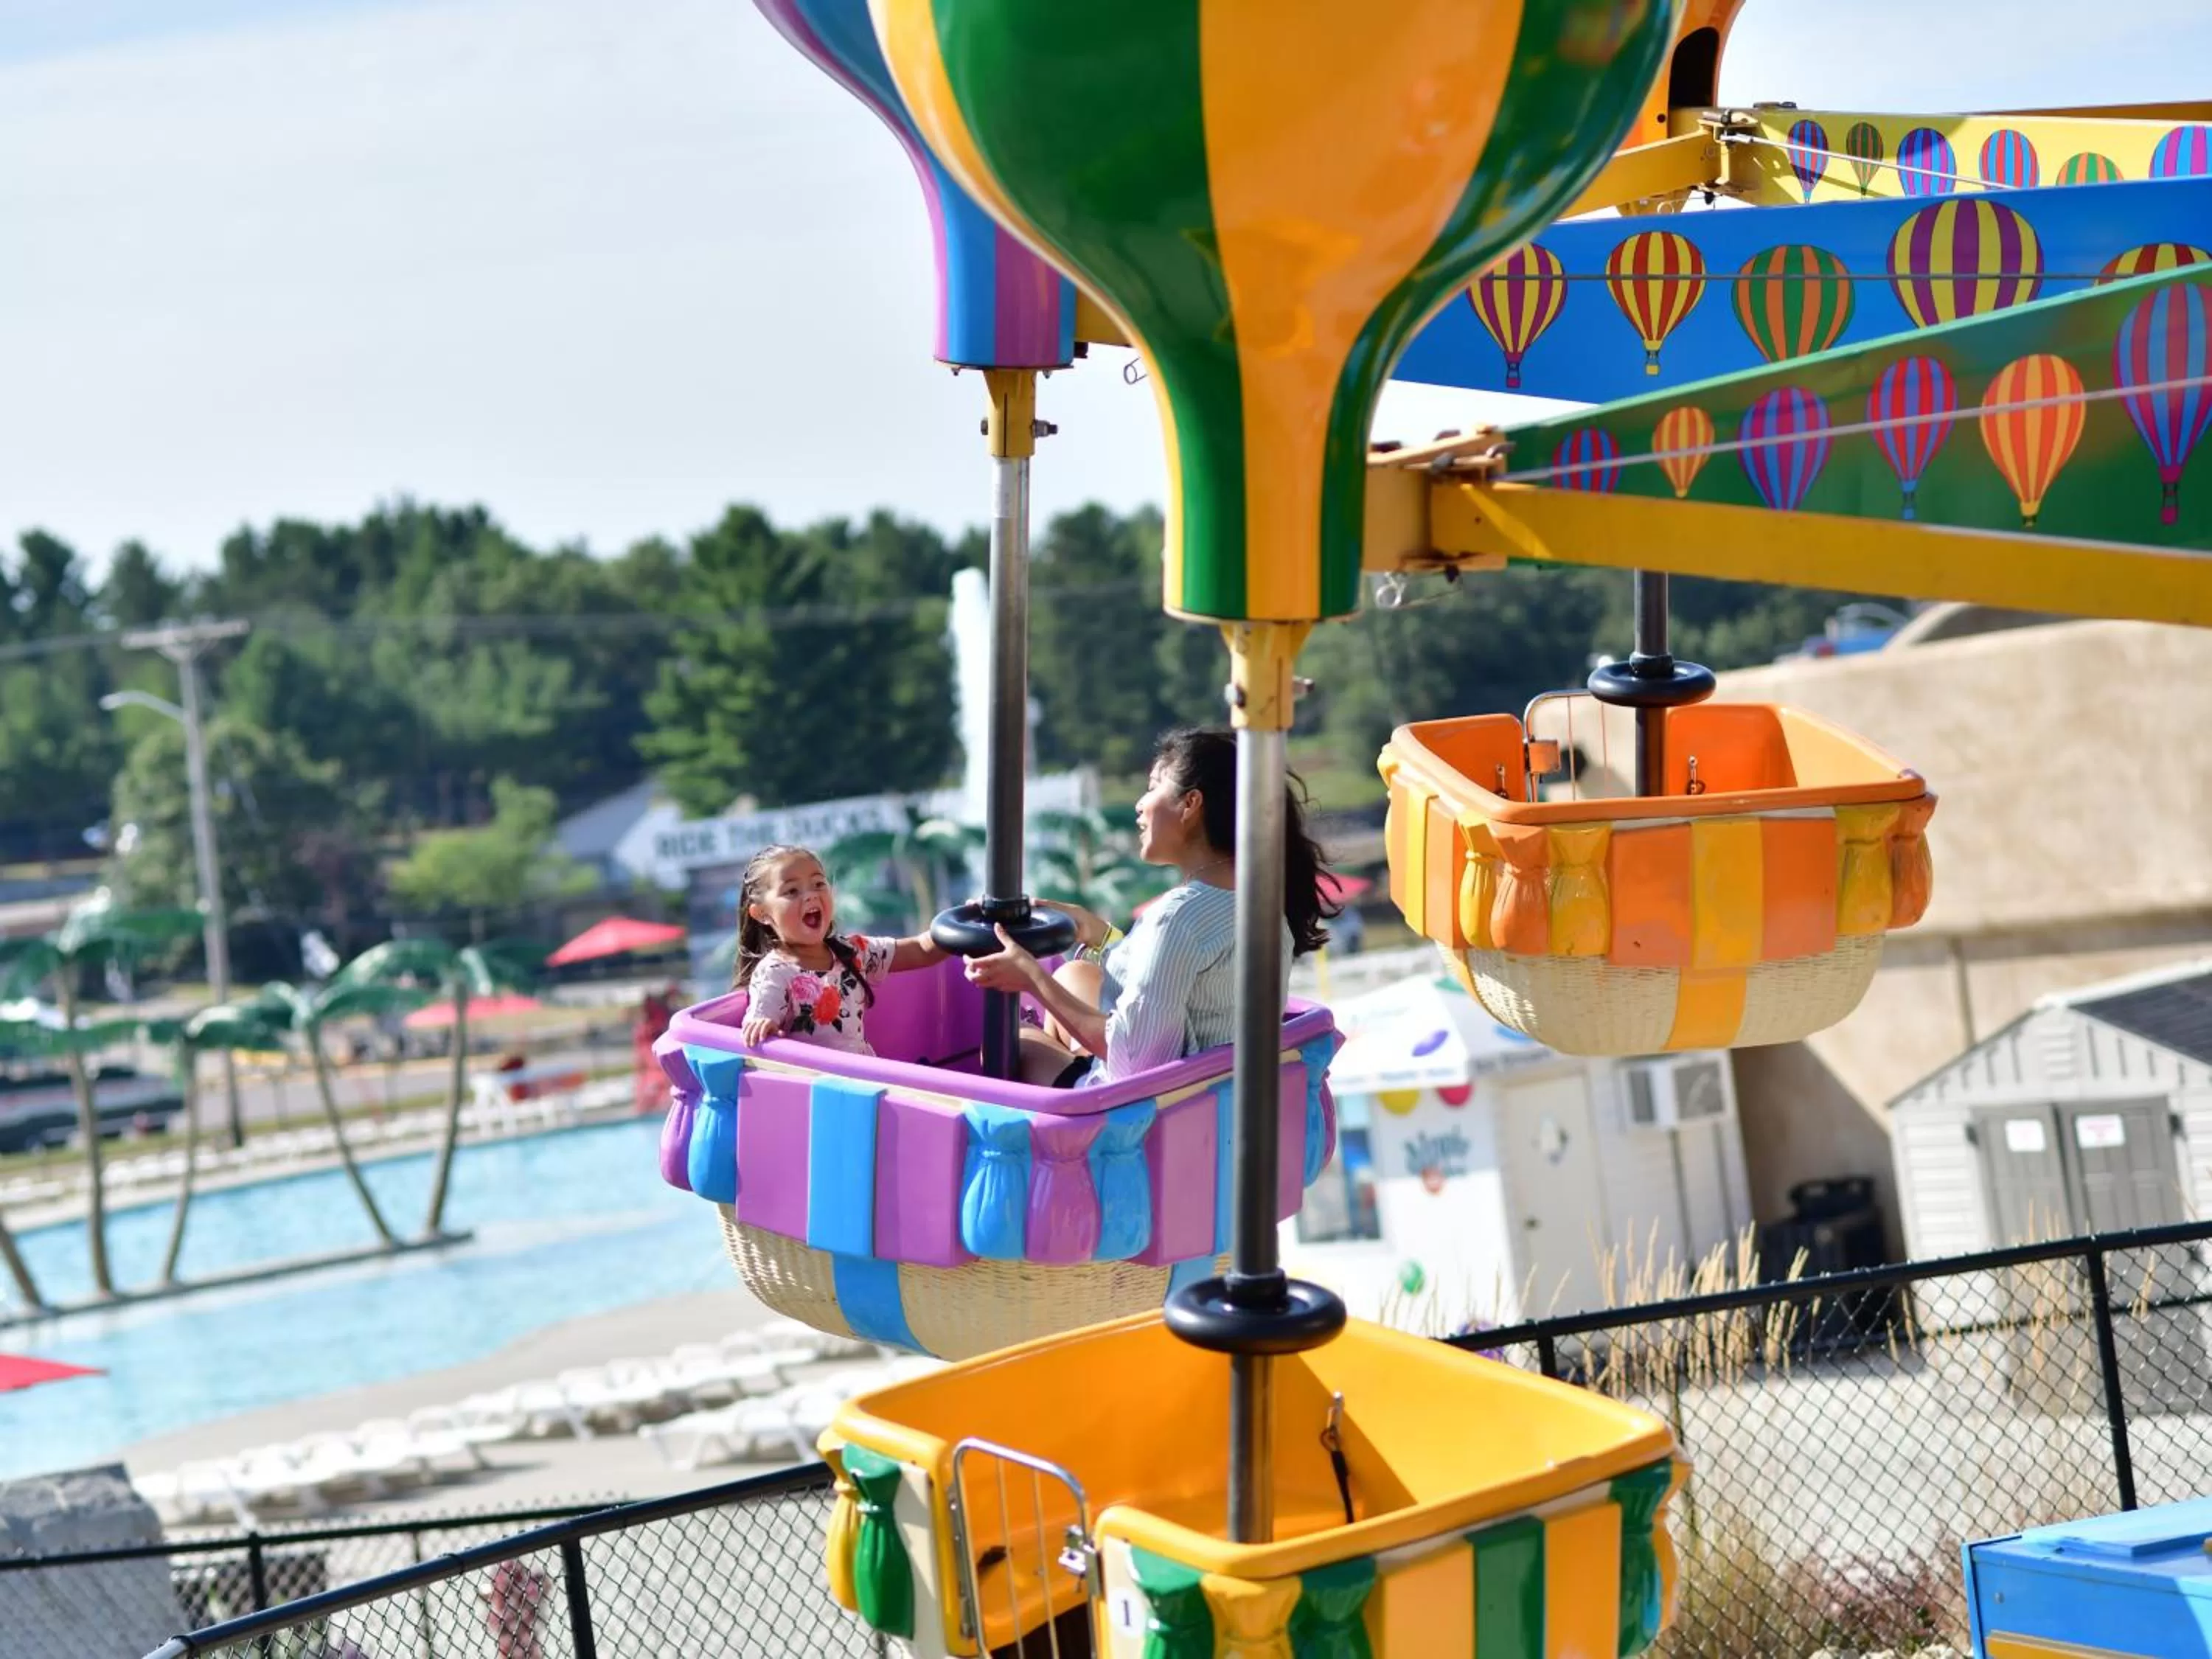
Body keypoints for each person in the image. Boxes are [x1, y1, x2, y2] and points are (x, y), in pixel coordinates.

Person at [966, 726, 1338, 1088]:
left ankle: (1056, 1126)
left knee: (1009, 1036)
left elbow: (1137, 1062)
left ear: (1191, 804)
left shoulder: (1178, 917)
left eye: (1154, 788)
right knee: (1076, 974)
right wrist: (1098, 933)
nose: (1140, 805)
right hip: (1212, 1098)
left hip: (1135, 1119)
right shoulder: (1261, 904)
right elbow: (1186, 981)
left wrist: (1032, 977)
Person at [732, 844, 946, 1054]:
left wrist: (966, 924)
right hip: (821, 1087)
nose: (810, 896)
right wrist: (763, 1025)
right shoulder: (775, 972)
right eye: (791, 891)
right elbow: (760, 1026)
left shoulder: (854, 951)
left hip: (866, 1082)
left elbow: (920, 950)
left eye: (818, 884)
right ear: (762, 913)